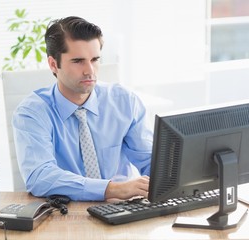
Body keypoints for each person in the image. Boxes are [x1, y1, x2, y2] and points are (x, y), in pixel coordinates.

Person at [12, 16, 153, 201]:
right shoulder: (32, 113)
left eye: (95, 59)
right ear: (53, 64)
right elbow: (40, 177)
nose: (90, 71)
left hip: (123, 211)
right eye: (78, 61)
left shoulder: (124, 101)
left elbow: (151, 161)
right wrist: (112, 189)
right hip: (66, 215)